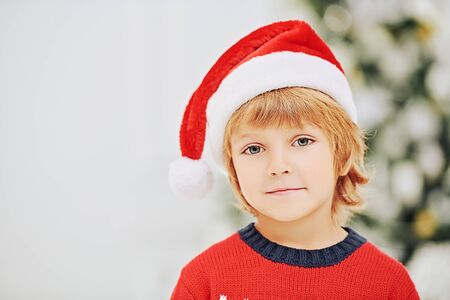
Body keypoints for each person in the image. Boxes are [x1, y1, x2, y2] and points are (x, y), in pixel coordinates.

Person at [168, 20, 420, 299]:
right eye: (253, 148)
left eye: (302, 141)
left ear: (342, 154)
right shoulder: (204, 279)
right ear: (233, 168)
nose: (278, 167)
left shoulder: (387, 284)